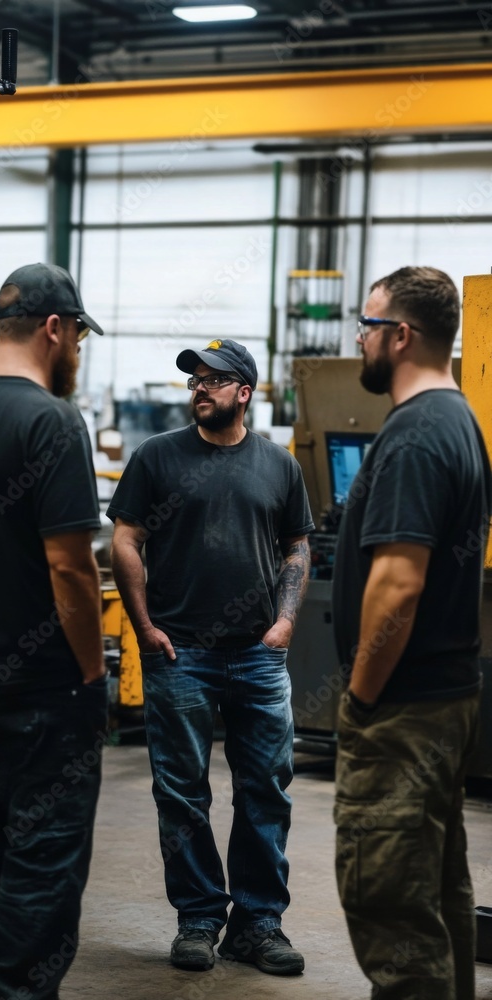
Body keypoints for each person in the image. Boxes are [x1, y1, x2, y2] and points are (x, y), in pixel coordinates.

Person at [108, 338, 314, 976]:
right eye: (195, 379)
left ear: (243, 392)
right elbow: (125, 539)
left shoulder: (279, 465)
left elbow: (297, 545)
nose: (200, 387)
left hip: (258, 656)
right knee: (181, 796)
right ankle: (198, 919)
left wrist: (285, 621)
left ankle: (257, 925)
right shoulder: (157, 457)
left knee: (265, 792)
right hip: (180, 654)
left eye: (214, 379)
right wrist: (144, 627)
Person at [0, 263, 108, 1000]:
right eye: (78, 341)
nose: (77, 356)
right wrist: (92, 675)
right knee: (44, 864)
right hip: (44, 692)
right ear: (55, 329)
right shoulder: (51, 421)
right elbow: (71, 568)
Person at [332, 266, 492, 1000]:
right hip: (443, 700)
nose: (358, 340)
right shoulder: (457, 419)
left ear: (399, 335)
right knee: (436, 894)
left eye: (366, 327)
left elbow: (398, 584)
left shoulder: (417, 434)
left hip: (402, 710)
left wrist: (362, 698)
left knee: (391, 905)